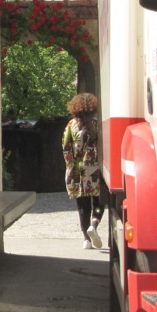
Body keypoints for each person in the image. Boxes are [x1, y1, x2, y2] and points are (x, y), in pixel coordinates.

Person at [62, 92, 104, 249]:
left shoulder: (71, 126)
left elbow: (66, 149)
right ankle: (94, 225)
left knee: (82, 205)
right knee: (98, 202)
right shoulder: (97, 124)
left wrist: (70, 167)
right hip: (96, 169)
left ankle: (86, 239)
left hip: (78, 171)